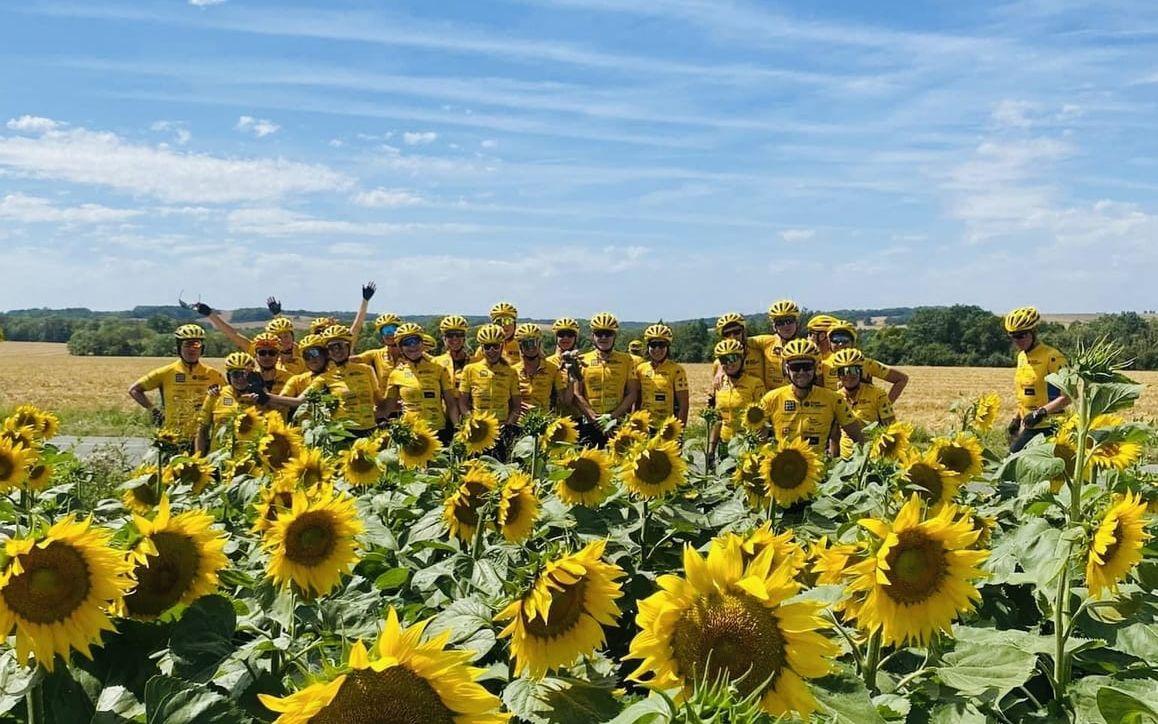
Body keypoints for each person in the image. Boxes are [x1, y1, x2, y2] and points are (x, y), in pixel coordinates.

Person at [760, 339, 862, 457]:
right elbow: (759, 440)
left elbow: (858, 437)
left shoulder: (834, 399)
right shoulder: (771, 399)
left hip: (819, 469)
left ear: (816, 367)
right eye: (796, 367)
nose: (802, 372)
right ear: (786, 369)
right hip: (781, 468)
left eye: (807, 366)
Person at [129, 324, 226, 447]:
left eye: (196, 345)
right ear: (178, 347)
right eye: (187, 345)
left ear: (203, 349)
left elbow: (229, 398)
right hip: (172, 439)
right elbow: (134, 390)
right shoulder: (166, 372)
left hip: (202, 439)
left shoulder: (213, 374)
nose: (192, 349)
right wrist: (154, 411)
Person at [1004, 306, 1070, 452]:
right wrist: (1017, 418)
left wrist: (1040, 413)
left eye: (1021, 335)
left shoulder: (1053, 357)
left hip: (1050, 426)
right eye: (1013, 336)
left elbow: (1067, 397)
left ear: (1033, 332)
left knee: (1012, 463)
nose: (1017, 341)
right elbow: (1026, 393)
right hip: (1029, 424)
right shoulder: (1022, 357)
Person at [383, 323, 461, 441]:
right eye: (407, 343)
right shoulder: (395, 374)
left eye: (416, 341)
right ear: (400, 347)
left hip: (438, 430)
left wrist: (457, 428)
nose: (413, 346)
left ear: (422, 343)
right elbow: (387, 407)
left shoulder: (438, 369)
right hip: (410, 432)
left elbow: (451, 404)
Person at [573, 313, 639, 445]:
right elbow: (577, 392)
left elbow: (632, 393)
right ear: (592, 336)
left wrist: (612, 417)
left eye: (608, 334)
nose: (603, 337)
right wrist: (592, 415)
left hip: (617, 422)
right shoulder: (582, 360)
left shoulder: (627, 360)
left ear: (614, 336)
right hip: (591, 422)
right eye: (599, 333)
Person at [195, 352, 274, 453]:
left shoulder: (260, 397)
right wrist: (198, 458)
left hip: (248, 461)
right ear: (228, 376)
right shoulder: (216, 395)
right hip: (218, 458)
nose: (241, 379)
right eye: (236, 374)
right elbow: (202, 430)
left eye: (246, 375)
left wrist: (259, 404)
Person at [459, 324, 522, 450]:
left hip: (503, 429)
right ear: (482, 348)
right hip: (478, 430)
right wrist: (471, 421)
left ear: (502, 346)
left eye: (495, 346)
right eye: (487, 347)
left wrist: (509, 425)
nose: (491, 351)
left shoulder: (511, 372)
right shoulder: (470, 369)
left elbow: (516, 406)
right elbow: (463, 403)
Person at [318, 324, 385, 436]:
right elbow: (300, 401)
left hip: (370, 430)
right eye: (331, 347)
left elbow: (379, 402)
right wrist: (277, 399)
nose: (337, 350)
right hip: (342, 433)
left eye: (340, 345)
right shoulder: (324, 377)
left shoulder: (366, 370)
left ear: (349, 346)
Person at [707, 338, 766, 461]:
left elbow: (763, 420)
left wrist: (760, 450)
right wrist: (711, 450)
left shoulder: (755, 383)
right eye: (724, 359)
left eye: (733, 358)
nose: (729, 363)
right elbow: (718, 419)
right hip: (724, 442)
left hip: (747, 443)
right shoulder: (719, 385)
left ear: (742, 358)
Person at [831, 348, 895, 458]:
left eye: (853, 370)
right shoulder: (836, 398)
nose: (848, 376)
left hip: (871, 458)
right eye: (843, 371)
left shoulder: (878, 394)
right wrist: (833, 462)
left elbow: (890, 427)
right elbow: (834, 435)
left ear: (860, 372)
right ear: (838, 375)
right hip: (846, 461)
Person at [822, 321, 909, 402]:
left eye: (845, 339)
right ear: (829, 342)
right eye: (836, 339)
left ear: (853, 342)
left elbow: (901, 379)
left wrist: (885, 406)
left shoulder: (866, 363)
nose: (840, 344)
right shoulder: (823, 364)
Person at [635, 324, 689, 427]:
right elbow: (637, 401)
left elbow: (684, 405)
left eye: (661, 345)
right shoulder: (641, 369)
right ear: (648, 347)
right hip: (645, 425)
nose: (657, 349)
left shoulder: (677, 370)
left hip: (667, 426)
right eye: (653, 345)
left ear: (667, 347)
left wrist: (679, 431)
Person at [511, 323, 570, 417]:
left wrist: (573, 376)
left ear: (539, 343)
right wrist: (520, 406)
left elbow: (565, 400)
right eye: (526, 344)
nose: (531, 348)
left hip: (544, 421)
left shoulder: (553, 369)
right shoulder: (513, 371)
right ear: (519, 346)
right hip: (518, 423)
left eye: (534, 342)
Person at [546, 317, 584, 418]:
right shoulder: (548, 362)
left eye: (570, 335)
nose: (566, 338)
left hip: (577, 416)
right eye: (561, 334)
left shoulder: (582, 361)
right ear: (556, 337)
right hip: (553, 417)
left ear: (575, 338)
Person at [352, 313, 403, 384]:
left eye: (393, 329)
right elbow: (349, 360)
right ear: (381, 334)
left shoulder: (413, 354)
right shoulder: (375, 355)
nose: (390, 334)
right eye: (386, 331)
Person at [762, 299, 802, 391]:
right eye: (780, 323)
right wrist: (721, 366)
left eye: (789, 321)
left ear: (797, 322)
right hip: (772, 399)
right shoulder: (766, 342)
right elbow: (736, 343)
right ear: (774, 326)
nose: (785, 326)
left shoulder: (806, 346)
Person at [433, 315, 472, 387]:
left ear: (464, 338)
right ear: (444, 339)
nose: (455, 338)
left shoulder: (475, 361)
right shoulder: (436, 362)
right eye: (450, 335)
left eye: (459, 334)